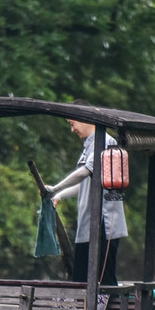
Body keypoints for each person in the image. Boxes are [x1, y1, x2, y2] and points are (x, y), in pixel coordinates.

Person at [45, 106, 127, 286]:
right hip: (88, 224)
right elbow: (83, 183)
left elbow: (84, 172)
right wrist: (58, 195)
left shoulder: (105, 141)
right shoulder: (89, 146)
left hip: (105, 222)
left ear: (83, 119)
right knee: (81, 277)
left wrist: (55, 188)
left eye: (72, 123)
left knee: (104, 277)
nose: (72, 129)